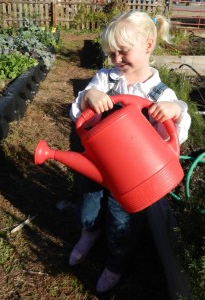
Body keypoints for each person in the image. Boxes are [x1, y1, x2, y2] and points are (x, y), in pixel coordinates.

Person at [68, 11, 191, 294]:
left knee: (122, 221)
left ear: (148, 45)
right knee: (89, 205)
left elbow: (178, 129)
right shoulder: (106, 79)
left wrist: (176, 111)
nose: (116, 60)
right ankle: (89, 233)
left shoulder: (159, 93)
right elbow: (78, 108)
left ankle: (115, 264)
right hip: (99, 164)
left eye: (122, 52)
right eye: (111, 54)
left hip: (131, 177)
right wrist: (88, 97)